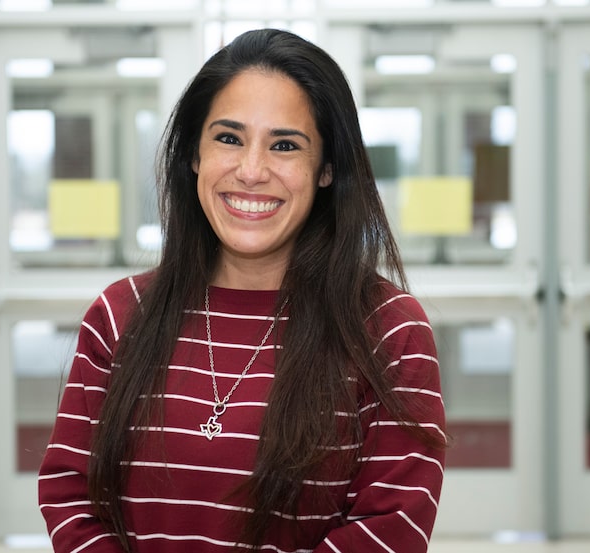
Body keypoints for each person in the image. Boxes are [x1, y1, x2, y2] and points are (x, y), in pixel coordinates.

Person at [38, 28, 446, 553]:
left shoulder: (387, 329)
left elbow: (392, 525)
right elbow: (71, 494)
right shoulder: (121, 315)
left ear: (325, 169)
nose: (251, 172)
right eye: (229, 138)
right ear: (194, 156)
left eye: (284, 145)